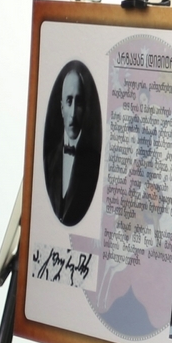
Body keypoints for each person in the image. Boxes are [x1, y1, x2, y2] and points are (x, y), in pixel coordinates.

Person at [43, 61, 101, 226]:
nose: (73, 113)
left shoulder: (94, 164)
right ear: (62, 108)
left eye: (79, 102)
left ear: (85, 108)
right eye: (69, 101)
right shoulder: (49, 160)